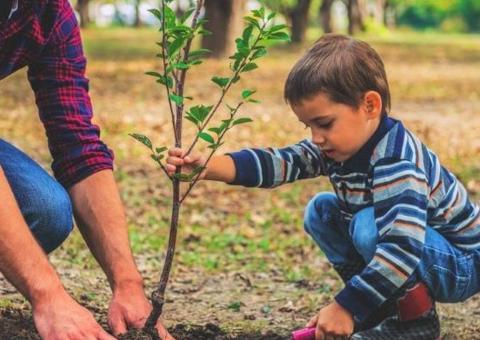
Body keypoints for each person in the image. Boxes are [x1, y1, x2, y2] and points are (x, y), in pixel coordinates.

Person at [166, 34, 480, 339]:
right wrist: (209, 166)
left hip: (461, 263)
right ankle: (383, 307)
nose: (316, 137)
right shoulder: (342, 145)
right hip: (419, 251)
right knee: (322, 211)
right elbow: (281, 162)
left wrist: (346, 306)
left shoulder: (396, 160)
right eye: (309, 126)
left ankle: (414, 323)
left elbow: (402, 248)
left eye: (325, 123)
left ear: (370, 105)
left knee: (368, 227)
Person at [0, 0, 173, 339]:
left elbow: (77, 144)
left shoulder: (47, 12)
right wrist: (48, 296)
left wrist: (127, 282)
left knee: (43, 210)